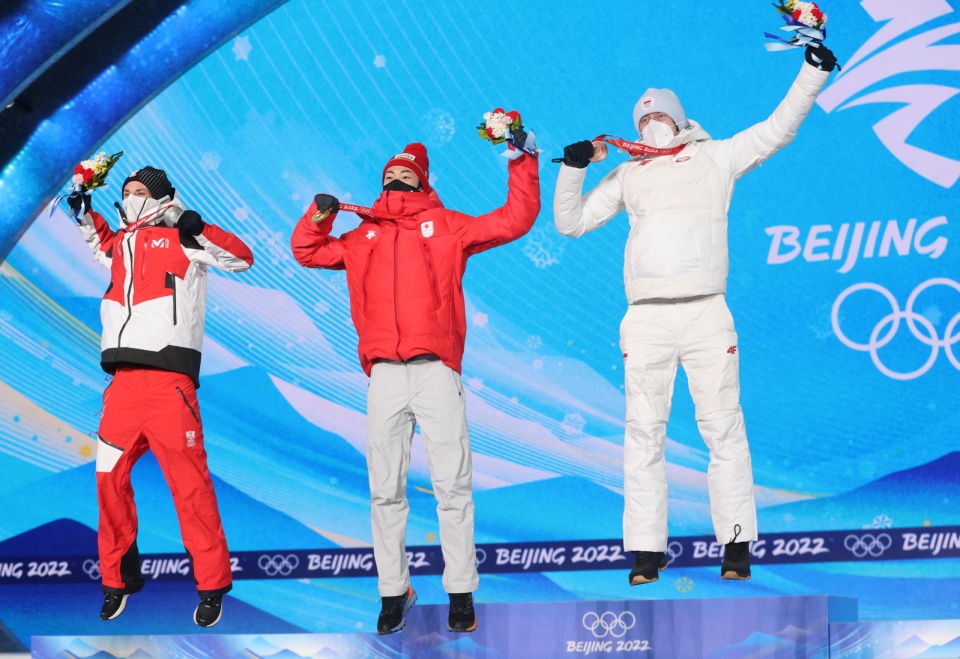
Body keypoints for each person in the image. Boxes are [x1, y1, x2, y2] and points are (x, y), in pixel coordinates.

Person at [553, 45, 838, 584]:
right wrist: (572, 169)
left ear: (681, 119)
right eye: (643, 118)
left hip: (707, 311)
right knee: (642, 433)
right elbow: (571, 223)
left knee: (723, 428)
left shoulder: (716, 158)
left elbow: (777, 129)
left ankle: (734, 546)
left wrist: (813, 71)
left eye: (660, 115)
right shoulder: (628, 175)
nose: (651, 122)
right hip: (646, 317)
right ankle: (645, 552)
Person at [291, 139, 540, 634]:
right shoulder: (362, 236)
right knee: (385, 491)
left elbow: (515, 218)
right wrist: (317, 217)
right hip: (384, 372)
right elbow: (307, 251)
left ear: (422, 180)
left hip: (436, 370)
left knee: (453, 486)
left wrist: (521, 158)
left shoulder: (448, 226)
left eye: (405, 173)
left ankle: (462, 592)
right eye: (389, 174)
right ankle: (392, 592)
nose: (395, 179)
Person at [67, 166, 254, 626]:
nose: (130, 198)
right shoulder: (121, 245)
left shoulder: (183, 237)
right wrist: (83, 207)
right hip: (123, 388)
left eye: (139, 192)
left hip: (171, 387)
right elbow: (100, 242)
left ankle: (211, 586)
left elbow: (241, 258)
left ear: (162, 197)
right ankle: (117, 581)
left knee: (191, 490)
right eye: (126, 191)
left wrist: (198, 227)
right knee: (109, 486)